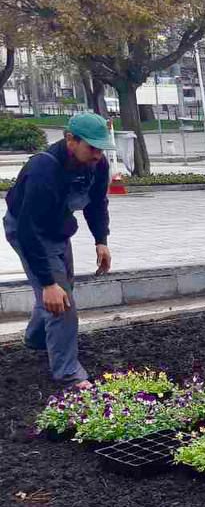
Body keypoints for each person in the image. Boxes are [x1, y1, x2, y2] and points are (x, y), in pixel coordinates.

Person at [3, 113, 115, 386]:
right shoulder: (43, 170)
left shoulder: (97, 165)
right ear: (70, 140)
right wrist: (47, 282)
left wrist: (101, 239)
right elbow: (29, 232)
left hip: (58, 228)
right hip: (27, 231)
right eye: (92, 147)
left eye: (101, 148)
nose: (98, 154)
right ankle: (68, 373)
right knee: (59, 300)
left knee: (61, 293)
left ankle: (36, 338)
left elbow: (96, 203)